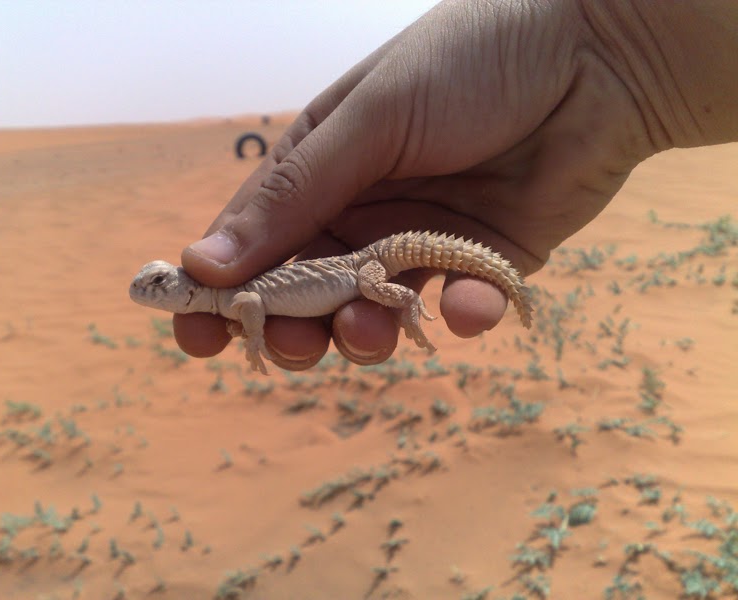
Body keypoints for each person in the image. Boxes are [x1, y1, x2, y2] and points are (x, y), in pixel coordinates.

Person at [174, 0, 738, 371]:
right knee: (376, 303)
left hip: (358, 267)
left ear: (185, 288)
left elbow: (251, 302)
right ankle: (464, 298)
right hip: (359, 265)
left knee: (383, 297)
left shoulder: (237, 291)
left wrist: (595, 21)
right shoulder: (229, 295)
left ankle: (418, 312)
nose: (160, 289)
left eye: (161, 284)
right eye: (159, 286)